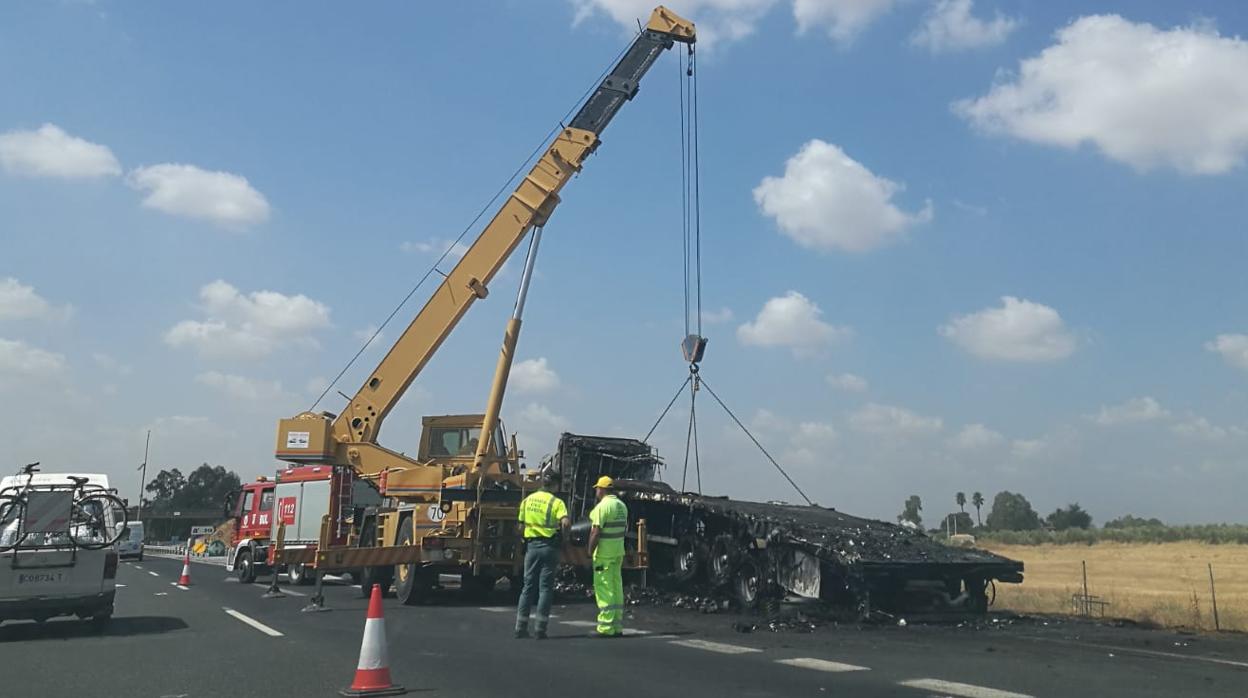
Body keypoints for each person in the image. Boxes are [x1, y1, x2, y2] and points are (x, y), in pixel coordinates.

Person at [514, 470, 570, 639]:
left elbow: (520, 526)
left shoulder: (527, 500)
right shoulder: (557, 502)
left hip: (532, 547)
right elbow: (566, 522)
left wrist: (525, 538)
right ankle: (540, 629)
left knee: (528, 587)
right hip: (550, 547)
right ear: (555, 484)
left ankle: (520, 627)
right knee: (545, 588)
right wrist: (564, 538)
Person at [588, 475, 628, 638]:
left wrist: (590, 550)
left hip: (604, 555)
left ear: (602, 489)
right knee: (616, 587)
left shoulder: (602, 507)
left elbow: (595, 532)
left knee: (604, 588)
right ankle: (617, 625)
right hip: (618, 552)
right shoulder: (622, 506)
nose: (596, 491)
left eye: (597, 488)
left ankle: (605, 627)